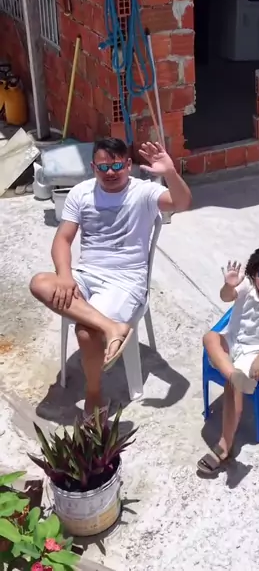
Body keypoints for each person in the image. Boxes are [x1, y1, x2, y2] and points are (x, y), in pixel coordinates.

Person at [30, 137, 192, 416]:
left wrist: (170, 172)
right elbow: (62, 240)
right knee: (40, 283)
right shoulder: (81, 193)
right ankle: (111, 327)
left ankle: (95, 395)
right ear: (93, 167)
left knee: (85, 332)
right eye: (103, 167)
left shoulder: (143, 192)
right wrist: (65, 275)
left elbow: (183, 202)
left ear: (128, 165)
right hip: (86, 274)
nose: (110, 172)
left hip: (125, 281)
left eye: (117, 165)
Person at [197, 244, 259, 475]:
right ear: (254, 272)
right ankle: (233, 376)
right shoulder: (245, 285)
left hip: (254, 351)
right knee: (210, 337)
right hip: (232, 341)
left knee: (232, 387)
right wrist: (229, 285)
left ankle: (224, 446)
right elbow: (226, 297)